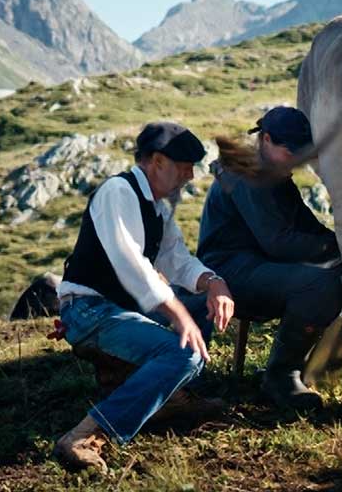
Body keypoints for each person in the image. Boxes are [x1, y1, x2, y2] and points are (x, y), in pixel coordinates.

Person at [54, 121, 236, 474]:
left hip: (116, 310)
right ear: (157, 162)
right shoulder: (118, 192)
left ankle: (167, 398)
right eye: (184, 167)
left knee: (199, 307)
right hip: (88, 311)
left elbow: (178, 260)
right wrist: (176, 314)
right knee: (185, 353)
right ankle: (87, 435)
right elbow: (130, 264)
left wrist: (215, 283)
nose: (190, 176)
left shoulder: (158, 209)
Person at [198, 106, 342, 412]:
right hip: (228, 272)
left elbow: (306, 227)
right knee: (320, 285)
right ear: (265, 139)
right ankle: (281, 376)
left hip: (257, 264)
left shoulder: (274, 173)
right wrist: (338, 247)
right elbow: (278, 242)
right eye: (290, 151)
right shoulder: (246, 175)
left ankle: (322, 365)